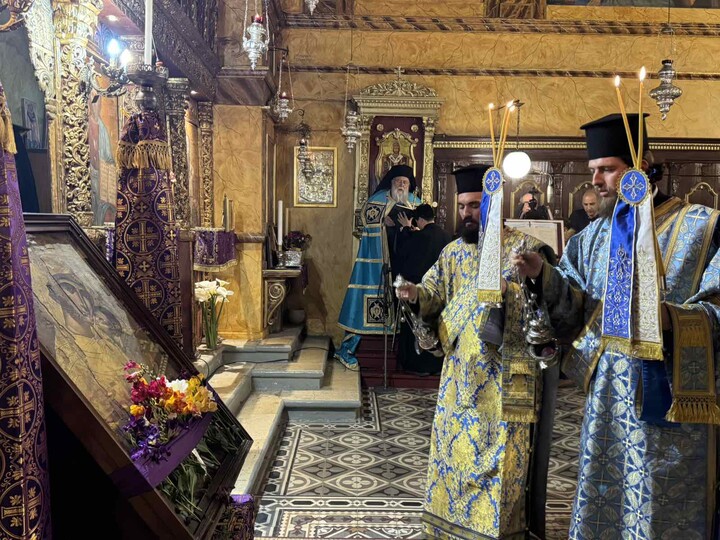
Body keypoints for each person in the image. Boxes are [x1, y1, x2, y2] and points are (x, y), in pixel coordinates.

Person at [513, 113, 720, 539]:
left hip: (671, 406)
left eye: (607, 169)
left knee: (659, 509)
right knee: (606, 505)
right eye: (593, 171)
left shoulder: (702, 227)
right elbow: (573, 308)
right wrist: (541, 276)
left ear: (641, 166)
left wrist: (672, 320)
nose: (596, 182)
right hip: (607, 404)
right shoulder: (592, 237)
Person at [395, 164, 558, 540]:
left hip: (505, 384)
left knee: (500, 465)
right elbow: (433, 296)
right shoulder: (452, 253)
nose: (467, 214)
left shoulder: (526, 250)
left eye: (475, 205)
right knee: (455, 460)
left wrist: (511, 292)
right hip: (458, 382)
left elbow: (549, 311)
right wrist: (415, 295)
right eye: (462, 206)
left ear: (494, 205)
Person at [335, 164, 422, 370]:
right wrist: (384, 222)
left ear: (410, 185)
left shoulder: (416, 203)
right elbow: (364, 224)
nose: (401, 185)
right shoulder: (377, 201)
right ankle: (347, 349)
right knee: (365, 300)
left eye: (405, 182)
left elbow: (424, 229)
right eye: (398, 181)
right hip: (380, 263)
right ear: (390, 183)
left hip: (404, 264)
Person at [394, 203, 452, 375]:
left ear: (419, 220)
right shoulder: (447, 236)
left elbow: (403, 254)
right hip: (440, 293)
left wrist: (406, 229)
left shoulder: (418, 237)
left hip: (419, 292)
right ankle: (437, 366)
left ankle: (417, 365)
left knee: (417, 327)